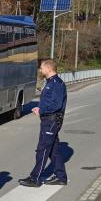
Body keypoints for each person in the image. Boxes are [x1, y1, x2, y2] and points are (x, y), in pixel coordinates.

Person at [19, 59, 68, 187]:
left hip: (51, 121)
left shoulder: (57, 84)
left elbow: (56, 105)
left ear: (49, 68)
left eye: (42, 68)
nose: (40, 70)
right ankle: (61, 177)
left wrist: (41, 110)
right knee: (53, 150)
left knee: (43, 149)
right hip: (48, 120)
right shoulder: (50, 82)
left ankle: (34, 178)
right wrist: (40, 108)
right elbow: (48, 101)